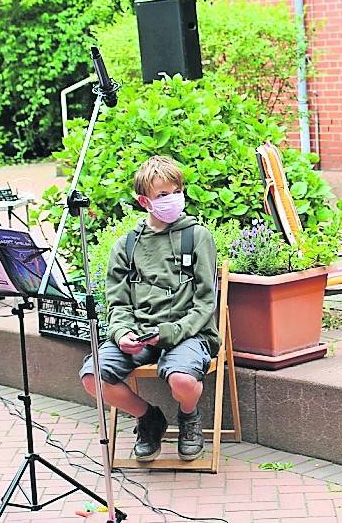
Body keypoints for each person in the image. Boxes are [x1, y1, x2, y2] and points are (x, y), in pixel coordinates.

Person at [79, 155, 220, 462]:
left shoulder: (196, 237)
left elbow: (206, 302)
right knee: (93, 377)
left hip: (187, 334)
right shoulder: (126, 246)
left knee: (182, 379)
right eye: (163, 195)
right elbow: (117, 303)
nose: (173, 199)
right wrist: (122, 334)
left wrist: (171, 331)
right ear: (144, 201)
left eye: (176, 191)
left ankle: (188, 417)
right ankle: (149, 418)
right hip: (140, 334)